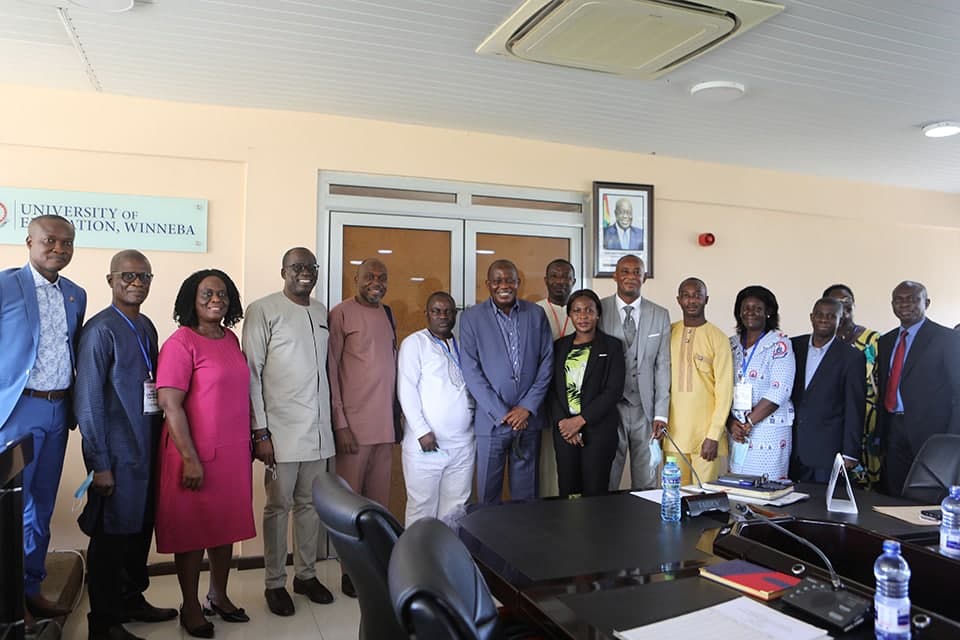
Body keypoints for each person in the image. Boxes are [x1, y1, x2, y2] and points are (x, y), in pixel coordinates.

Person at [74, 251, 176, 640]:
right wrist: (99, 462)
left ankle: (132, 599)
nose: (136, 282)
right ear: (110, 280)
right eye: (128, 276)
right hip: (115, 453)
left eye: (144, 276)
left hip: (147, 450)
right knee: (111, 537)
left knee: (139, 530)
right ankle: (103, 622)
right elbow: (88, 401)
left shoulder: (147, 326)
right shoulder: (100, 331)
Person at [156, 269, 256, 638]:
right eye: (207, 294)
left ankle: (219, 595)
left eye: (223, 294)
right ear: (190, 301)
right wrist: (191, 458)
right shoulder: (181, 343)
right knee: (191, 532)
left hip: (231, 455)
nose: (217, 299)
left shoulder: (230, 339)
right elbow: (171, 405)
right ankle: (191, 604)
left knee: (224, 527)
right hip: (193, 456)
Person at [0, 214, 85, 623]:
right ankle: (8, 598)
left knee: (41, 505)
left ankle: (31, 588)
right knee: (10, 508)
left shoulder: (76, 294)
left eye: (66, 243)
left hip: (57, 410)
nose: (58, 249)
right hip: (17, 409)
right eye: (50, 241)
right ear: (29, 242)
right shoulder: (4, 285)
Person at [243, 248, 335, 617]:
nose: (305, 273)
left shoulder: (320, 311)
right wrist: (260, 431)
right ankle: (275, 582)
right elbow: (252, 373)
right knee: (278, 507)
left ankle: (307, 575)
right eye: (297, 267)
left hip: (317, 432)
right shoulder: (263, 310)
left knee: (310, 506)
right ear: (283, 271)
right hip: (279, 433)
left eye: (310, 268)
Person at [327, 258, 397, 597]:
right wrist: (340, 423)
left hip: (384, 427)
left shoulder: (388, 314)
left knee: (378, 506)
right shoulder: (341, 313)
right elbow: (331, 371)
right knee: (350, 507)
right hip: (352, 430)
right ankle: (348, 570)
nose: (376, 282)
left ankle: (374, 565)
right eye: (369, 276)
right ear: (355, 278)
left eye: (382, 277)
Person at [460, 259, 553, 504]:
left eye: (509, 280)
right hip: (492, 423)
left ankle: (521, 543)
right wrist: (502, 413)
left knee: (526, 497)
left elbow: (546, 363)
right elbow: (471, 370)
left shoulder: (535, 314)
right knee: (488, 497)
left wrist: (526, 408)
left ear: (518, 283)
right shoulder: (471, 318)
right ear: (488, 284)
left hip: (527, 422)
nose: (504, 285)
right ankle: (485, 544)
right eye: (498, 280)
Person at [397, 292, 475, 525]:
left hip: (462, 444)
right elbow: (406, 389)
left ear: (455, 315)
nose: (443, 316)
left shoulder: (461, 344)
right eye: (436, 311)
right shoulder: (414, 343)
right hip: (427, 445)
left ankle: (446, 560)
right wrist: (421, 431)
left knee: (456, 509)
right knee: (422, 508)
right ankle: (417, 561)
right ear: (427, 314)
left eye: (448, 311)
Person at [877, 281, 960, 496]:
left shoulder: (947, 338)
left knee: (928, 495)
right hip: (893, 426)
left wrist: (952, 437)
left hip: (933, 432)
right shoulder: (885, 341)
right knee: (894, 492)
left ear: (927, 303)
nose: (905, 304)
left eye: (912, 299)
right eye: (899, 299)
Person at [599, 255, 670, 490]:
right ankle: (606, 526)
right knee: (606, 475)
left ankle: (646, 526)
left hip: (645, 410)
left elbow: (663, 366)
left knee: (647, 479)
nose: (631, 277)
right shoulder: (599, 309)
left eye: (636, 272)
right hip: (610, 408)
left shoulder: (660, 314)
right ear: (615, 276)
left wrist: (661, 414)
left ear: (644, 277)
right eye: (625, 271)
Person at [546, 289, 624, 497]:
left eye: (589, 310)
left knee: (595, 492)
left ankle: (594, 531)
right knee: (568, 490)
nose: (583, 316)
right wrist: (564, 423)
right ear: (569, 315)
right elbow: (552, 389)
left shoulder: (612, 346)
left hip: (598, 431)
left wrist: (579, 421)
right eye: (577, 311)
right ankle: (569, 531)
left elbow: (613, 391)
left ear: (598, 313)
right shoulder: (559, 347)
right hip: (565, 433)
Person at [789, 298, 866, 482]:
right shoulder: (793, 346)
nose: (824, 320)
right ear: (811, 317)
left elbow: (855, 407)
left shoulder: (852, 357)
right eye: (820, 315)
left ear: (840, 321)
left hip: (828, 451)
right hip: (792, 447)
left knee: (822, 508)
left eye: (831, 316)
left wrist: (850, 453)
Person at [666, 278, 733, 485]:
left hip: (705, 439)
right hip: (673, 437)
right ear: (678, 300)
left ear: (706, 299)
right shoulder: (668, 332)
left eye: (697, 295)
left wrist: (714, 435)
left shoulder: (718, 338)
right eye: (686, 295)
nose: (692, 300)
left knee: (703, 499)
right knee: (674, 496)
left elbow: (724, 390)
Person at [726, 286, 796, 480]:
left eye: (757, 308)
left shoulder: (779, 343)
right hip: (736, 431)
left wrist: (749, 422)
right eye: (746, 308)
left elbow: (780, 390)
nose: (751, 313)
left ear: (768, 312)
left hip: (768, 431)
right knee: (737, 487)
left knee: (765, 491)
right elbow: (720, 388)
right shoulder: (730, 344)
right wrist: (731, 423)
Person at [823, 284, 881, 487]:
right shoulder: (821, 342)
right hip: (831, 423)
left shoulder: (874, 341)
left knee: (866, 485)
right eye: (836, 302)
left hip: (867, 422)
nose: (843, 306)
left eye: (847, 301)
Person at [535, 258, 576, 498]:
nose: (560, 282)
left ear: (573, 280)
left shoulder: (581, 309)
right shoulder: (535, 311)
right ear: (546, 280)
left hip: (574, 399)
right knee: (545, 458)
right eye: (555, 276)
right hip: (543, 395)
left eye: (566, 277)